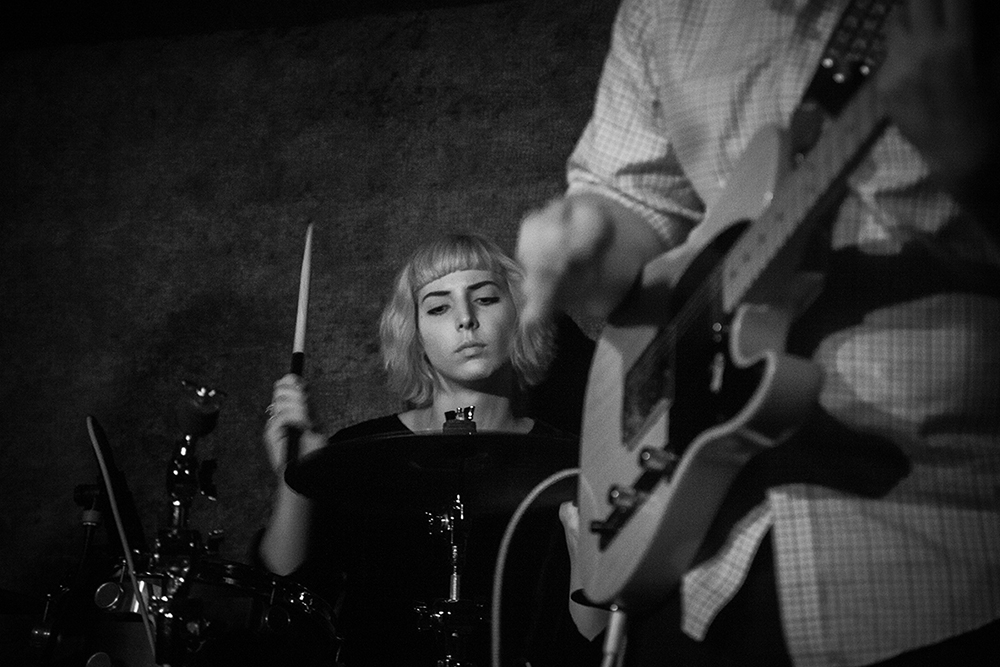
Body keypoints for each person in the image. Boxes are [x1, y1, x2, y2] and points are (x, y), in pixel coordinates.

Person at [516, 1, 999, 666]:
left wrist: (978, 162)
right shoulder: (660, 12)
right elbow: (634, 206)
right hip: (702, 563)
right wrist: (590, 253)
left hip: (940, 552)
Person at [257, 232, 601, 666]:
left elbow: (592, 638)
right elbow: (287, 593)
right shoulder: (356, 456)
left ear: (522, 316)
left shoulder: (570, 463)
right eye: (439, 307)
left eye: (486, 300)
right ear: (415, 337)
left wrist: (591, 554)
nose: (465, 320)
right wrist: (297, 475)